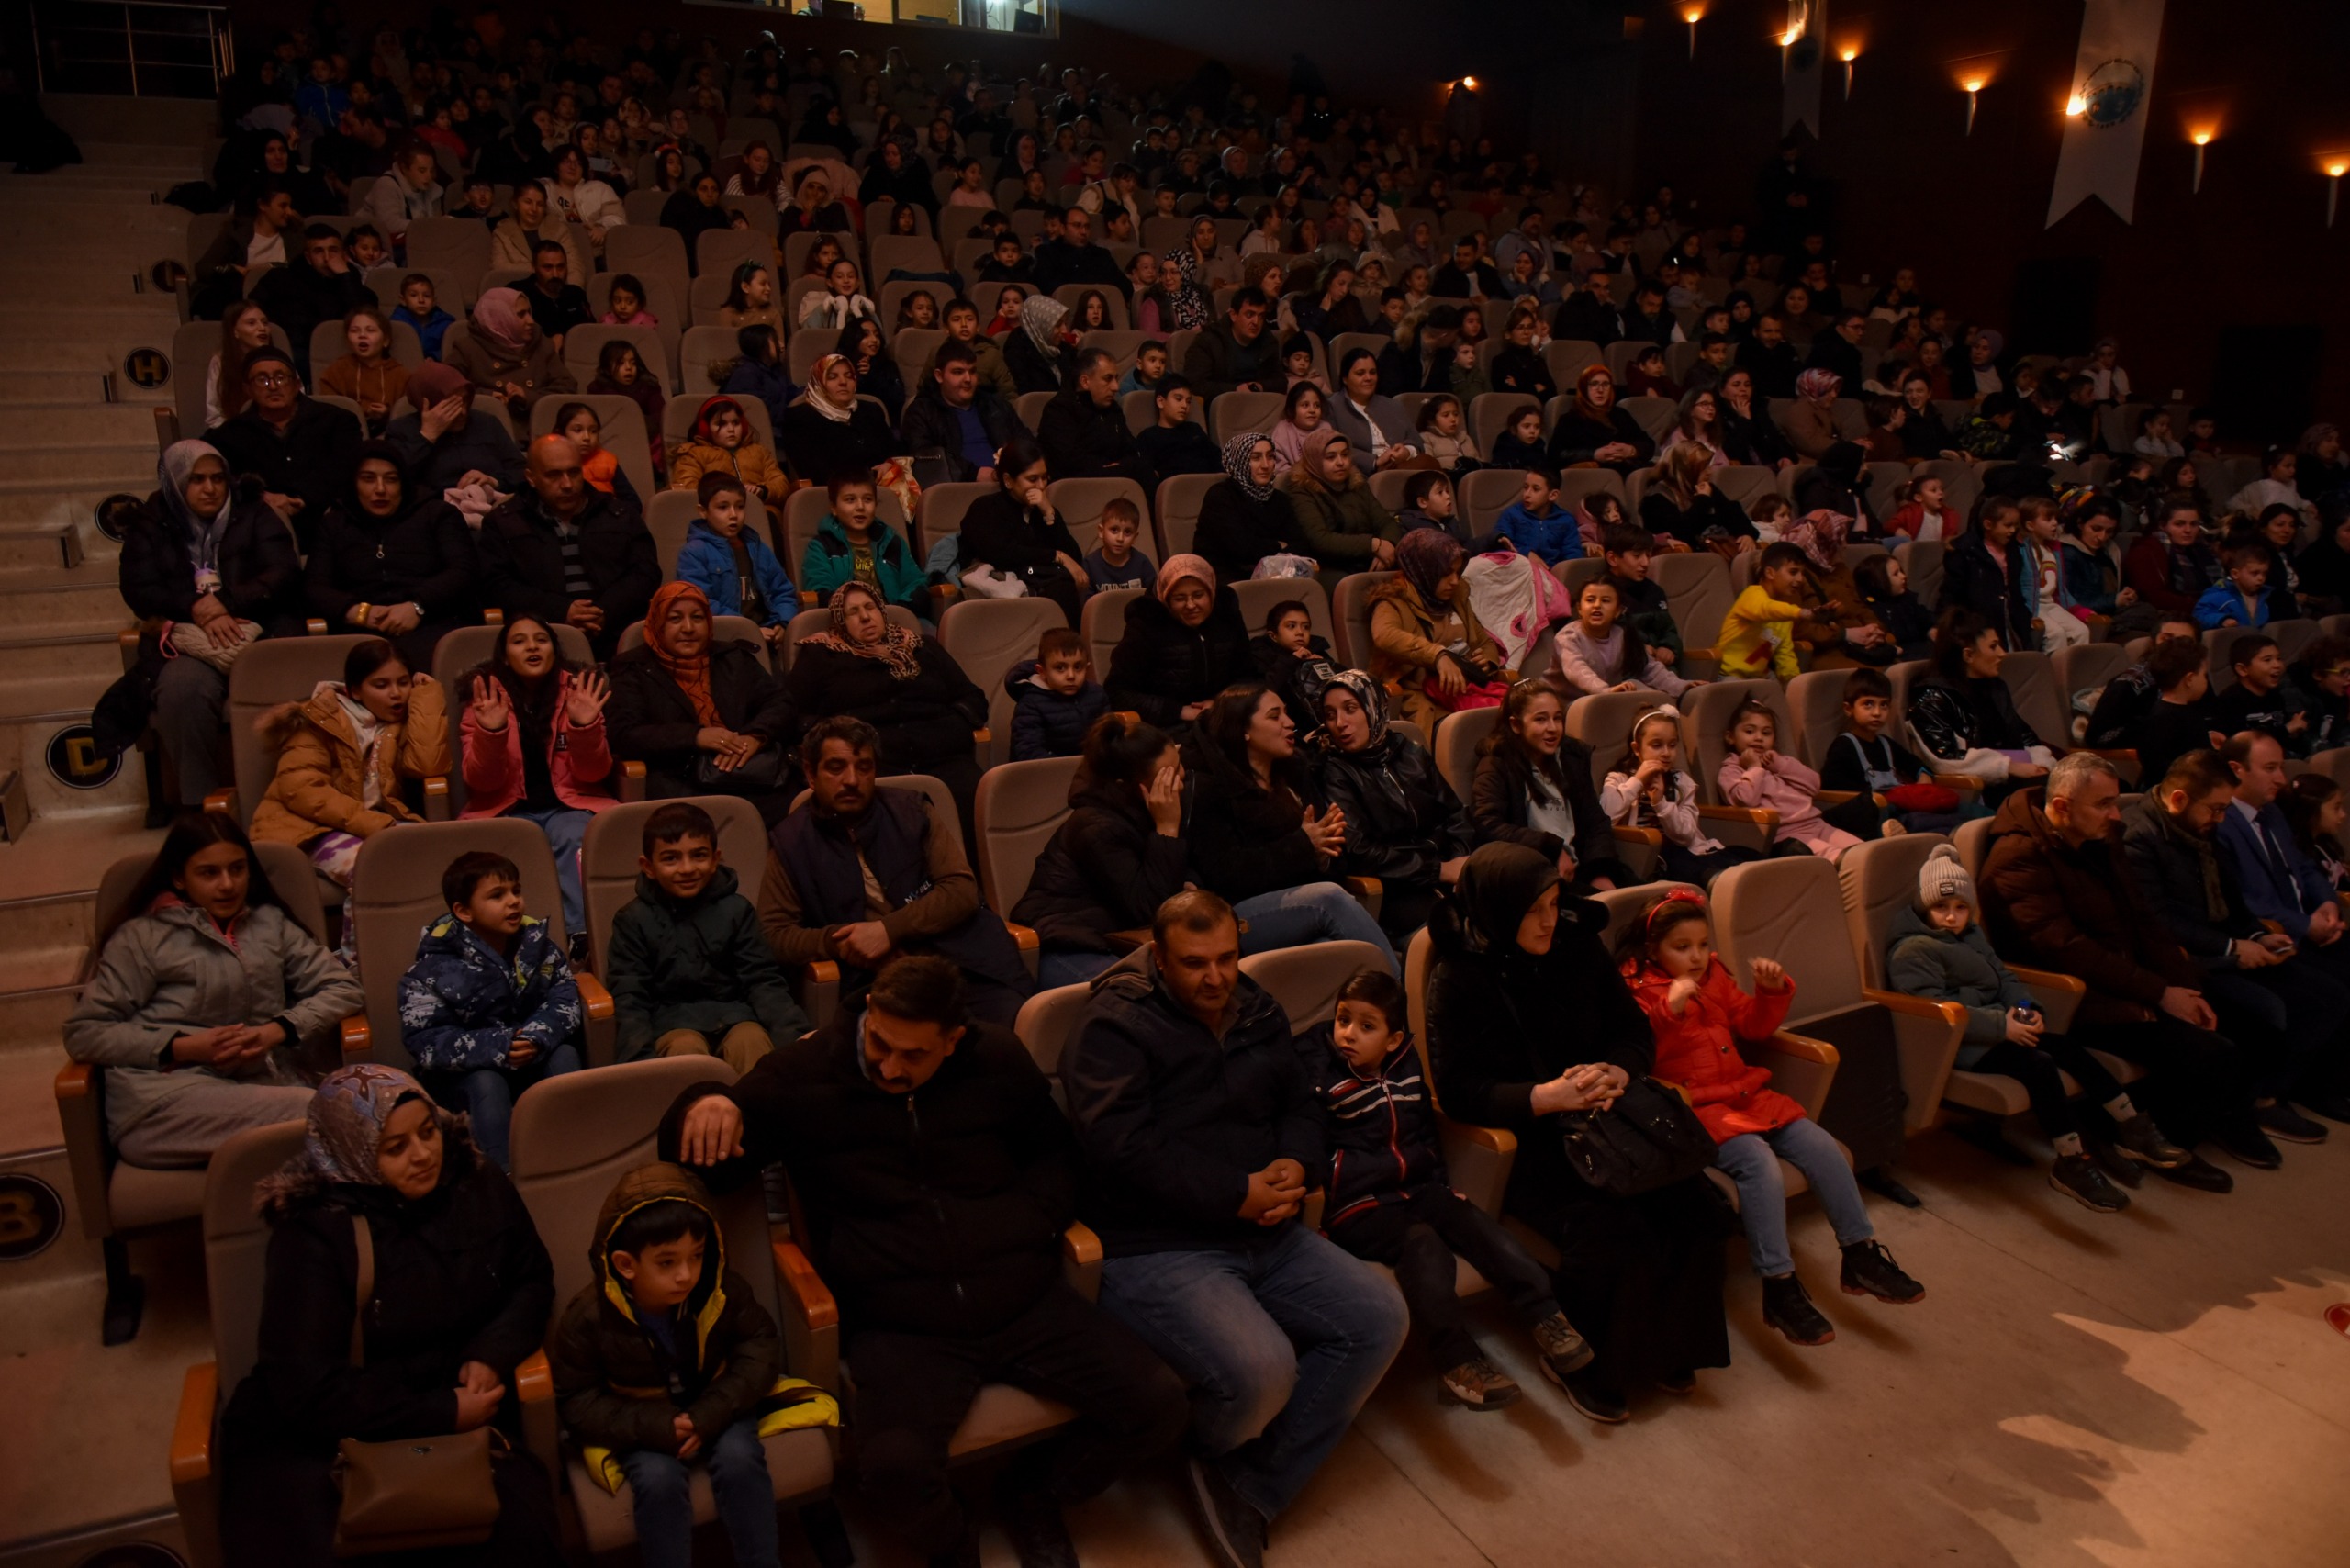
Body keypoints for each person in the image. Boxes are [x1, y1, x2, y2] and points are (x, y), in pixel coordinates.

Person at [665, 955, 1189, 1567]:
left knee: (1159, 1407)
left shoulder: (994, 1059)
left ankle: (1035, 1493)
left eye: (913, 1056)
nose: (888, 1067)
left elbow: (1054, 1156)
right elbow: (712, 1168)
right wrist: (705, 1101)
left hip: (1022, 1296)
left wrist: (1029, 1223)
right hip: (903, 1325)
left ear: (952, 1042)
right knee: (891, 1469)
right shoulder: (804, 1077)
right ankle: (956, 1546)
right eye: (880, 1043)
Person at [1061, 890, 1410, 1568]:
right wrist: (1235, 1194)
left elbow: (1300, 1104)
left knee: (1378, 1318)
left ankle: (1246, 1483)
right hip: (1156, 1243)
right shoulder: (1113, 1025)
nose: (1217, 977)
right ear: (1158, 958)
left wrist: (1295, 1164)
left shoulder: (1254, 1005)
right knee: (1261, 1371)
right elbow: (1121, 1150)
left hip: (1262, 1226)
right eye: (1196, 964)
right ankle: (1207, 1447)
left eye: (1227, 958)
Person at [1427, 844, 1730, 1421]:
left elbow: (1632, 1031)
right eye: (1534, 909)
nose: (1550, 919)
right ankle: (1588, 1363)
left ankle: (1668, 1346)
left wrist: (1616, 1070)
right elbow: (1460, 1090)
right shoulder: (1459, 975)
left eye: (1553, 903)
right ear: (1497, 909)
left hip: (1609, 1115)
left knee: (1697, 1206)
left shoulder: (1574, 944)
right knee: (1613, 1225)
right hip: (1529, 1139)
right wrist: (1545, 1097)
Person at [217, 1062, 562, 1567]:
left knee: (517, 1528)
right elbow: (305, 1388)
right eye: (395, 1148)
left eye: (428, 1133)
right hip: (333, 1430)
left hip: (457, 1414)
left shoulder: (475, 1179)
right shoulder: (316, 1231)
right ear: (355, 1151)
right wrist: (441, 1411)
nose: (424, 1156)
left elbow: (531, 1278)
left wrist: (491, 1353)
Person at [1626, 891, 1921, 1345]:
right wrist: (1672, 1009)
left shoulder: (1715, 975)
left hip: (1747, 1094)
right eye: (1682, 947)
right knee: (1758, 1164)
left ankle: (1860, 1255)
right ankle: (1780, 1286)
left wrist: (1770, 990)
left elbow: (1752, 1026)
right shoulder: (1638, 992)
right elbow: (1639, 1057)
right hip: (1696, 1107)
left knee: (1822, 1146)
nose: (1697, 956)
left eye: (1703, 945)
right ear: (1653, 950)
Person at [1301, 967, 1590, 1409]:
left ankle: (1544, 1315)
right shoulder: (1319, 1071)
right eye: (1344, 1020)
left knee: (1470, 1220)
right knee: (1424, 1245)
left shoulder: (1406, 1062)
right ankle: (1456, 1361)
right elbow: (1308, 1142)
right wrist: (1324, 1204)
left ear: (1394, 1039)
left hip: (1416, 1186)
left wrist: (1440, 1184)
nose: (1348, 1034)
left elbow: (1423, 1130)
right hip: (1358, 1205)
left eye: (1366, 1026)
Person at [1977, 753, 2259, 1188]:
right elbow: (2068, 953)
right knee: (2212, 1053)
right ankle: (2149, 1140)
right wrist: (2159, 995)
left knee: (2234, 1010)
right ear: (2061, 807)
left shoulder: (2098, 839)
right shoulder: (2018, 857)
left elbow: (2145, 922)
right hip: (2070, 1001)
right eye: (2103, 804)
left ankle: (2195, 1124)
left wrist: (2184, 987)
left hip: (2122, 983)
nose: (2116, 813)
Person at [1890, 846, 2185, 1210]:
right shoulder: (1912, 950)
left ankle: (2132, 1128)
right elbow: (1933, 1014)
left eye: (1960, 908)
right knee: (2040, 1065)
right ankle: (2071, 1161)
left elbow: (2005, 978)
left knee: (2068, 1047)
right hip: (1960, 1044)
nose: (1952, 917)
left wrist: (2026, 1009)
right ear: (1924, 908)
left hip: (2002, 1027)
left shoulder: (1972, 937)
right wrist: (2003, 1026)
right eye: (1941, 908)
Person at [65, 812, 358, 1168]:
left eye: (237, 869)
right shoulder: (142, 937)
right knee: (325, 1111)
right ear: (179, 878)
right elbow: (85, 1032)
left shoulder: (269, 924)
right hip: (162, 1102)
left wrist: (275, 1030)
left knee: (363, 1100)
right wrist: (184, 1047)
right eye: (209, 873)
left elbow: (343, 988)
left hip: (253, 1085)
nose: (227, 885)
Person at [548, 1162, 789, 1568]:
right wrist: (658, 1427)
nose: (686, 1275)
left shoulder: (721, 1289)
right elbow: (577, 1400)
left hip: (717, 1406)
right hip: (642, 1423)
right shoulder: (588, 1318)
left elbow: (760, 1346)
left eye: (696, 1256)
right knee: (657, 1481)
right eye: (666, 1262)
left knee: (739, 1458)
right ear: (626, 1265)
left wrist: (705, 1415)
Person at [2124, 745, 2345, 1145]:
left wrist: (2259, 935)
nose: (2222, 818)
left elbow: (2232, 902)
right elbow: (2159, 923)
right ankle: (2247, 1108)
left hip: (2226, 944)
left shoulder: (2200, 826)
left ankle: (2271, 1094)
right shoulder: (2140, 838)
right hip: (2189, 957)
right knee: (2267, 1010)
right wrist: (2232, 947)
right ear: (2179, 799)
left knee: (2326, 995)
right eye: (2216, 809)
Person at [763, 714, 1032, 1026]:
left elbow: (960, 890)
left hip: (957, 959)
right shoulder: (791, 841)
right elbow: (774, 935)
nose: (851, 780)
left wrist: (888, 930)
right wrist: (840, 943)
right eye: (836, 768)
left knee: (1008, 1034)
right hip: (870, 979)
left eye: (864, 767)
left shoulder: (911, 811)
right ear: (811, 773)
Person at [118, 441, 305, 806]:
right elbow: (140, 590)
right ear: (175, 483)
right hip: (190, 640)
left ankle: (289, 797)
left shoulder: (253, 512)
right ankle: (200, 805)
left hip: (260, 630)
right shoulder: (151, 523)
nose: (210, 488)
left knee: (282, 680)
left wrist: (224, 604)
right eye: (197, 480)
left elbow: (283, 573)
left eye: (218, 478)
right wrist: (194, 606)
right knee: (181, 691)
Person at [1182, 684, 1402, 971]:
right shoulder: (1210, 788)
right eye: (1275, 716)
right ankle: (1399, 998)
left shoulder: (1293, 773)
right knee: (1328, 898)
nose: (1290, 723)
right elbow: (1227, 873)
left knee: (1336, 951)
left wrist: (1323, 859)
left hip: (1303, 906)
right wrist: (1303, 845)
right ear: (1243, 730)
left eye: (1286, 713)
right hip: (1237, 915)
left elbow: (1335, 851)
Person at [397, 848, 586, 1169]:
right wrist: (499, 1046)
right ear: (464, 911)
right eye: (497, 895)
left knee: (565, 1055)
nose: (513, 901)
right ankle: (504, 1178)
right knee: (487, 1081)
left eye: (516, 891)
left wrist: (536, 1037)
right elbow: (427, 1042)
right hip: (470, 1077)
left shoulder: (539, 948)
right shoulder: (431, 970)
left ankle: (574, 1160)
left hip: (531, 1057)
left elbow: (565, 997)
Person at [605, 801, 808, 1070]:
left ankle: (758, 1111)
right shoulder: (632, 920)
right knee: (687, 1051)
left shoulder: (737, 910)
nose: (687, 868)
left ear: (715, 859)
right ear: (648, 866)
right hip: (669, 1026)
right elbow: (630, 997)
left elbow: (762, 980)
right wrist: (638, 1062)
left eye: (699, 855)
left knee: (752, 1041)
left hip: (735, 1017)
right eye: (670, 858)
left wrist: (797, 1040)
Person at [248, 634, 448, 901]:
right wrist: (373, 824)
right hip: (310, 830)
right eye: (381, 684)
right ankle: (358, 944)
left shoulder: (395, 726)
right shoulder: (320, 720)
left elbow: (428, 763)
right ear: (355, 690)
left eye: (403, 682)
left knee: (441, 857)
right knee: (373, 870)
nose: (396, 693)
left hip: (373, 827)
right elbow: (302, 789)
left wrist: (427, 696)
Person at [456, 612, 615, 939]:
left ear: (555, 651)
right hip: (505, 809)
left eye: (541, 640)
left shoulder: (578, 691)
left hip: (568, 805)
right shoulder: (485, 699)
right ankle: (528, 943)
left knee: (574, 835)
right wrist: (492, 731)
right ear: (504, 655)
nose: (532, 647)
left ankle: (581, 938)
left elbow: (594, 772)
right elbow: (481, 782)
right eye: (519, 641)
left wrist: (583, 726)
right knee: (516, 844)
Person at [1013, 713, 1195, 986]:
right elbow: (1148, 908)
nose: (1180, 780)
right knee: (1141, 998)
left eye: (1178, 766)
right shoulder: (1096, 826)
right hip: (1068, 940)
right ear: (1128, 786)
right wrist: (1167, 828)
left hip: (1117, 934)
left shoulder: (1150, 807)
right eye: (1166, 777)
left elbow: (1185, 870)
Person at [787, 581, 989, 823]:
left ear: (881, 610)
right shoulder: (822, 655)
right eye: (853, 612)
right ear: (840, 621)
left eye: (870, 607)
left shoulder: (922, 647)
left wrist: (952, 728)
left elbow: (972, 697)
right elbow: (792, 713)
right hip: (872, 767)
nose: (865, 617)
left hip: (945, 759)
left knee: (980, 806)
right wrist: (836, 738)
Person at [1310, 670, 1473, 941]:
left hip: (1448, 868)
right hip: (1398, 888)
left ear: (1373, 706)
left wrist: (1461, 863)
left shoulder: (1409, 750)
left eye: (1350, 709)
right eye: (1329, 715)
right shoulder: (1333, 771)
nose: (1340, 723)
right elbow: (1361, 851)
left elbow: (1455, 814)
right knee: (1462, 930)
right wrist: (1439, 871)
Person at [478, 434, 659, 661]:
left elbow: (646, 572)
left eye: (574, 472)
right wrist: (562, 611)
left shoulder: (619, 514)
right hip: (538, 639)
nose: (567, 484)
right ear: (531, 478)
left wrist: (603, 611)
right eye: (554, 475)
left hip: (616, 632)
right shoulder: (503, 522)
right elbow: (495, 584)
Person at [303, 442, 475, 671]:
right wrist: (359, 612)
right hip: (359, 630)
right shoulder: (334, 524)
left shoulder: (437, 514)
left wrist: (417, 606)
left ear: (403, 483)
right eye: (368, 479)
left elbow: (463, 571)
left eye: (391, 479)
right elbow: (314, 587)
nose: (380, 489)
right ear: (354, 483)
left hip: (431, 623)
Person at [1471, 681, 1633, 892]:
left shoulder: (1570, 758)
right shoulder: (1496, 764)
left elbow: (1595, 821)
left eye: (1557, 718)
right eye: (1540, 719)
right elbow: (1488, 825)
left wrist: (1598, 871)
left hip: (1582, 869)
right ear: (1516, 725)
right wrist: (1552, 848)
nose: (1552, 728)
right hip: (1532, 876)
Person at [209, 347, 364, 549]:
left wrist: (302, 498)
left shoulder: (337, 421)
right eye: (262, 379)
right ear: (248, 389)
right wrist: (257, 495)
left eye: (281, 378)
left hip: (329, 521)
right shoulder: (232, 433)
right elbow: (206, 466)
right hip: (261, 531)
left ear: (297, 384)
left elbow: (346, 469)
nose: (273, 386)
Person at [1602, 704, 1763, 888]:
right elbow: (1605, 817)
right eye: (1656, 745)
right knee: (1707, 875)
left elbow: (1686, 835)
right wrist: (1637, 781)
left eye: (1672, 745)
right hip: (1653, 859)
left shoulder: (1680, 781)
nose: (1666, 753)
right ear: (1637, 749)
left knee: (1750, 863)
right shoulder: (1619, 778)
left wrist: (1660, 802)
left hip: (1689, 851)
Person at [1368, 528, 1506, 732]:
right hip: (1423, 699)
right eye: (1446, 573)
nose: (1455, 581)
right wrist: (1438, 656)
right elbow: (1385, 636)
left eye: (1458, 572)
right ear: (1424, 570)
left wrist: (1487, 659)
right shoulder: (1392, 600)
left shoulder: (1456, 597)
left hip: (1467, 692)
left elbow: (1484, 641)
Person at [1718, 695, 1881, 862]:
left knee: (1865, 854)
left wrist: (1781, 765)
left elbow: (1814, 785)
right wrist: (1754, 768)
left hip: (1817, 824)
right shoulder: (1731, 770)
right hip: (1787, 834)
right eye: (1749, 731)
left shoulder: (1779, 762)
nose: (1759, 738)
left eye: (1766, 733)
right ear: (1730, 737)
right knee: (1840, 859)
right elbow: (1746, 800)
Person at [1908, 610, 2056, 789]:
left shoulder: (1995, 687)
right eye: (1993, 647)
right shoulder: (1933, 697)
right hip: (1979, 788)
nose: (2003, 654)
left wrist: (2040, 764)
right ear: (1968, 655)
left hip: (2017, 778)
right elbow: (1945, 758)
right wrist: (2008, 766)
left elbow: (2025, 737)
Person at [676, 473, 795, 646]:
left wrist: (783, 623)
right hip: (722, 640)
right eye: (723, 507)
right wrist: (747, 630)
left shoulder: (758, 548)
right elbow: (700, 603)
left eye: (740, 506)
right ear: (703, 511)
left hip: (766, 634)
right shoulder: (694, 552)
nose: (733, 515)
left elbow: (783, 591)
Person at [385, 360, 525, 504]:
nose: (462, 411)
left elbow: (522, 471)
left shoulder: (487, 423)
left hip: (493, 508)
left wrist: (494, 481)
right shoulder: (401, 430)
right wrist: (427, 436)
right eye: (451, 404)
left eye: (465, 400)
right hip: (434, 513)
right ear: (426, 404)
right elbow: (392, 480)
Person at [250, 223, 375, 384]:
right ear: (308, 257)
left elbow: (365, 317)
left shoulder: (354, 285)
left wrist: (345, 277)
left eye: (333, 250)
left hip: (343, 356)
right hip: (290, 355)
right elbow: (250, 311)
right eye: (319, 251)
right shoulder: (280, 280)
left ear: (344, 255)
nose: (327, 258)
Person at [799, 473, 930, 622]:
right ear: (834, 508)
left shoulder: (891, 541)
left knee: (929, 637)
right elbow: (821, 592)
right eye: (850, 500)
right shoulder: (821, 547)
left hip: (895, 620)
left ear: (876, 505)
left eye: (868, 500)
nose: (860, 507)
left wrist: (897, 612)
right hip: (847, 623)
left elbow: (916, 584)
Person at [899, 340, 1021, 485]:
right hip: (955, 492)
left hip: (1009, 487)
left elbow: (1026, 443)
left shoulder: (996, 405)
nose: (968, 379)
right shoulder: (921, 411)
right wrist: (975, 473)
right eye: (958, 372)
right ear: (939, 376)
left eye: (973, 371)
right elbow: (926, 459)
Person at [1550, 577, 1695, 699]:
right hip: (1564, 704)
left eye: (1605, 601)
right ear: (1580, 609)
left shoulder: (1622, 635)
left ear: (1618, 611)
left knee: (1641, 690)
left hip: (1603, 700)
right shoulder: (1568, 636)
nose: (1597, 606)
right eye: (1590, 600)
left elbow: (1650, 669)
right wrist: (1605, 691)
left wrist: (1683, 686)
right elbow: (1578, 671)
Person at [1038, 346, 1159, 492]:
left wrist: (1120, 466)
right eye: (1108, 379)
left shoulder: (1113, 409)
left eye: (1116, 378)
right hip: (1076, 490)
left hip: (1117, 483)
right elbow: (1067, 461)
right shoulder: (1058, 410)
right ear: (1085, 381)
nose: (1115, 387)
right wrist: (1114, 466)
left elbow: (1131, 449)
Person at [1281, 427, 1402, 573]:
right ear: (1315, 460)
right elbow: (1320, 540)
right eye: (1331, 457)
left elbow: (1385, 522)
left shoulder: (1356, 482)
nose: (1340, 462)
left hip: (1367, 560)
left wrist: (1387, 547)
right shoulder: (1302, 488)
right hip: (1328, 566)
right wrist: (1373, 545)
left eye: (1345, 455)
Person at [1196, 434, 1310, 586]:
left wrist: (1263, 550)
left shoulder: (1279, 499)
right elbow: (1241, 549)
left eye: (1270, 457)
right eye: (1256, 458)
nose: (1265, 465)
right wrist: (1279, 545)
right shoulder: (1220, 496)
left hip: (1275, 576)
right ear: (1240, 461)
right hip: (1226, 578)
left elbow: (1301, 545)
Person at [778, 353, 903, 489]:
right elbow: (814, 472)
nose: (843, 382)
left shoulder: (871, 410)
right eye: (832, 377)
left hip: (883, 490)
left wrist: (889, 465)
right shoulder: (800, 417)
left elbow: (893, 452)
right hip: (833, 495)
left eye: (849, 376)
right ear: (818, 383)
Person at [448, 286, 577, 417]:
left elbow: (567, 387)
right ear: (499, 317)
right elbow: (449, 389)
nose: (531, 321)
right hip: (488, 422)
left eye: (528, 312)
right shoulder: (467, 348)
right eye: (521, 314)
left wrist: (527, 396)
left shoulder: (541, 344)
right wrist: (488, 398)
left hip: (537, 421)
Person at [1715, 540, 1811, 681]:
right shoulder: (1752, 594)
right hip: (1728, 674)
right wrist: (1803, 613)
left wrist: (1795, 683)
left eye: (1802, 573)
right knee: (1736, 688)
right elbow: (1765, 609)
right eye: (1793, 572)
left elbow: (1785, 657)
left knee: (1778, 692)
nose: (1800, 579)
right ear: (1770, 573)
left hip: (1758, 676)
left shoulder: (1785, 614)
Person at [1009, 625, 1109, 762]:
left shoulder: (1096, 694)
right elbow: (1029, 751)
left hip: (1091, 771)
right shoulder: (1030, 704)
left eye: (1078, 667)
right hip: (1047, 774)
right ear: (1042, 671)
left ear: (1087, 667)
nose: (1071, 675)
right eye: (1060, 668)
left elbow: (1109, 739)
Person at [668, 395, 788, 502]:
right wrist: (729, 494)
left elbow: (781, 484)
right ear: (706, 429)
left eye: (736, 423)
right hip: (716, 517)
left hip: (761, 511)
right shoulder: (693, 455)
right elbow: (689, 488)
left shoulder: (760, 452)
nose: (731, 429)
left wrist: (762, 490)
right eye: (721, 424)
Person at [317, 306, 408, 434]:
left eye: (370, 330)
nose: (362, 335)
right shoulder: (336, 371)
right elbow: (328, 410)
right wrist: (363, 410)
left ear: (386, 341)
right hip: (345, 433)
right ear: (348, 340)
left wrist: (388, 413)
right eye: (355, 331)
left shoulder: (400, 374)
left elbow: (407, 414)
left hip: (389, 436)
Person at [1184, 287, 1282, 400]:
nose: (1256, 322)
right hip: (1223, 407)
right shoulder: (1208, 341)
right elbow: (1195, 384)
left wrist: (1261, 386)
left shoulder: (1268, 341)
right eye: (1250, 315)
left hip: (1259, 406)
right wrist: (1235, 390)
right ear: (1233, 315)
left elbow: (1280, 382)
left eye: (1260, 316)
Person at [493, 180, 592, 285]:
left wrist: (572, 293)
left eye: (540, 204)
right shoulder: (503, 232)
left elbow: (574, 265)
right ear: (515, 204)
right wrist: (543, 268)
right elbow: (500, 269)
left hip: (556, 290)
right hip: (517, 293)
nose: (534, 209)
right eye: (528, 202)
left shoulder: (558, 229)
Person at [1136, 374, 1224, 477]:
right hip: (1174, 490)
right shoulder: (1148, 437)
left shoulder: (1195, 430)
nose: (1184, 405)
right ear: (1160, 401)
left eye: (1188, 401)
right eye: (1178, 399)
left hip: (1206, 486)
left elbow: (1217, 459)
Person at [518, 239, 593, 347]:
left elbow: (590, 332)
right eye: (548, 267)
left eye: (561, 267)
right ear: (533, 267)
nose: (556, 274)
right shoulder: (520, 293)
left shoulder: (576, 294)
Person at [2195, 541, 2280, 632]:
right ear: (2235, 574)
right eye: (2255, 573)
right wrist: (2221, 620)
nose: (2261, 578)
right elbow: (2199, 616)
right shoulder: (2219, 595)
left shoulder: (2266, 597)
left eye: (2264, 573)